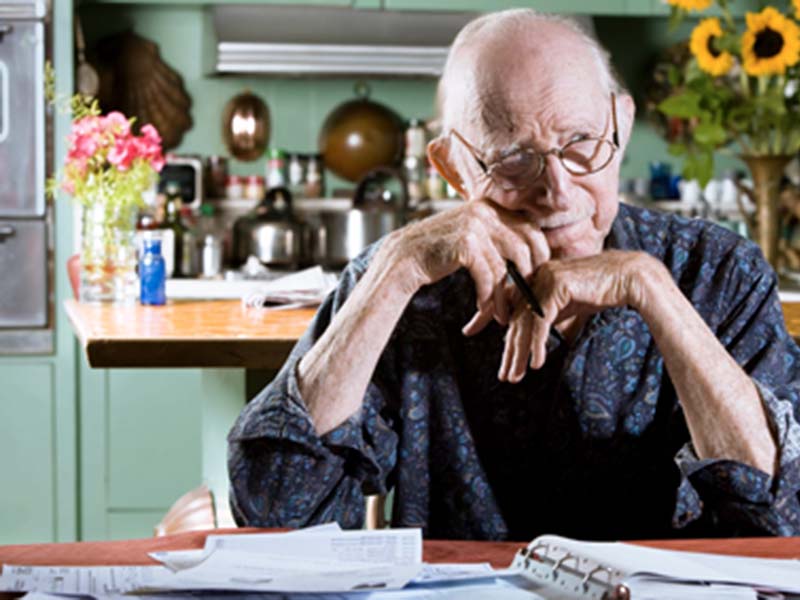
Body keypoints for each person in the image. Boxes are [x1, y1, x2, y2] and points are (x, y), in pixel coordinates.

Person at [228, 9, 800, 541]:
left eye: (581, 142)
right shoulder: (405, 283)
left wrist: (650, 289)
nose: (558, 191)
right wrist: (396, 269)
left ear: (621, 124)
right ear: (453, 167)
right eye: (514, 159)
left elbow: (783, 519)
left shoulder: (718, 271)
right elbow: (276, 511)